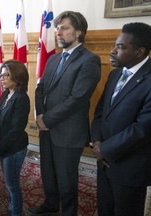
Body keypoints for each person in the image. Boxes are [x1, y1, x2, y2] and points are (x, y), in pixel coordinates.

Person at [27, 11, 101, 216]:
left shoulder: (89, 60)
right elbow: (40, 89)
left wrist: (48, 119)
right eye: (57, 28)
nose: (58, 32)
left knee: (67, 179)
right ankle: (51, 204)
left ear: (78, 32)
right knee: (48, 173)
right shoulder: (52, 59)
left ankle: (68, 212)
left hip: (68, 132)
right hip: (46, 129)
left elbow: (77, 99)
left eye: (64, 28)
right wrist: (41, 117)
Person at [90, 22, 151, 216]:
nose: (113, 50)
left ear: (139, 52)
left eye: (121, 47)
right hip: (105, 163)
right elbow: (100, 112)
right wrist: (98, 142)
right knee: (105, 209)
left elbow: (142, 129)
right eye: (116, 44)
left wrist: (105, 149)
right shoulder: (115, 74)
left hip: (129, 167)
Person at [0, 60, 30, 216]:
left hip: (14, 148)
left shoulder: (21, 98)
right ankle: (13, 207)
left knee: (13, 185)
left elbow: (15, 131)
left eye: (6, 75)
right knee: (9, 182)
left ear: (17, 77)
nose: (2, 78)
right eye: (1, 74)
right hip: (4, 146)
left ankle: (16, 212)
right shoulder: (6, 93)